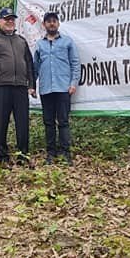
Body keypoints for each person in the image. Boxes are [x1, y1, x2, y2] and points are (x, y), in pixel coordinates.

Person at [0, 8, 35, 167]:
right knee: (2, 122)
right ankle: (3, 157)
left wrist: (31, 85)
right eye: (6, 19)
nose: (10, 22)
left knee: (22, 122)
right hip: (0, 86)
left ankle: (23, 155)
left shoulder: (21, 40)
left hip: (20, 86)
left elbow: (29, 64)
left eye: (12, 19)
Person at [33, 11, 80, 165]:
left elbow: (75, 63)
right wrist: (32, 86)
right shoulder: (39, 44)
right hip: (46, 89)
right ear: (44, 25)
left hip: (63, 88)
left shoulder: (67, 42)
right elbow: (35, 67)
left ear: (58, 23)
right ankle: (51, 153)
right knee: (48, 122)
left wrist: (73, 83)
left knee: (63, 122)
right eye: (48, 21)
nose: (51, 23)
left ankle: (66, 154)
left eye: (54, 21)